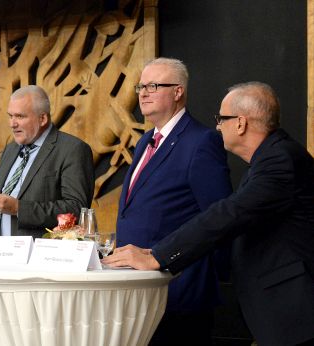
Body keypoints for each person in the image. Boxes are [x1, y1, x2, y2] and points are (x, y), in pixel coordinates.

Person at [103, 82, 314, 346]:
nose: (217, 126)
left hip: (294, 309)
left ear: (240, 123)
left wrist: (158, 256)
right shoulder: (269, 159)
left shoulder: (279, 160)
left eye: (221, 119)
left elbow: (229, 214)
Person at [116, 58, 232, 345]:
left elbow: (219, 218)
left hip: (180, 293)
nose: (142, 93)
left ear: (178, 91)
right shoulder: (145, 141)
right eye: (141, 86)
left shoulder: (201, 141)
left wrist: (200, 276)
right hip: (136, 292)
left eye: (153, 86)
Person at [0, 85, 94, 237]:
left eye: (20, 116)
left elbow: (77, 208)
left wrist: (20, 209)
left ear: (43, 118)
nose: (12, 123)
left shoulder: (72, 149)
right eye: (10, 116)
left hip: (39, 255)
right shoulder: (11, 149)